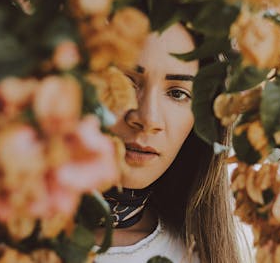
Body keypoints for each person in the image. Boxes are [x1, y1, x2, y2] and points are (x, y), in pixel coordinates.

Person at [94, 23, 242, 263]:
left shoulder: (195, 256)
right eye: (126, 80)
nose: (147, 118)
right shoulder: (16, 230)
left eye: (177, 93)